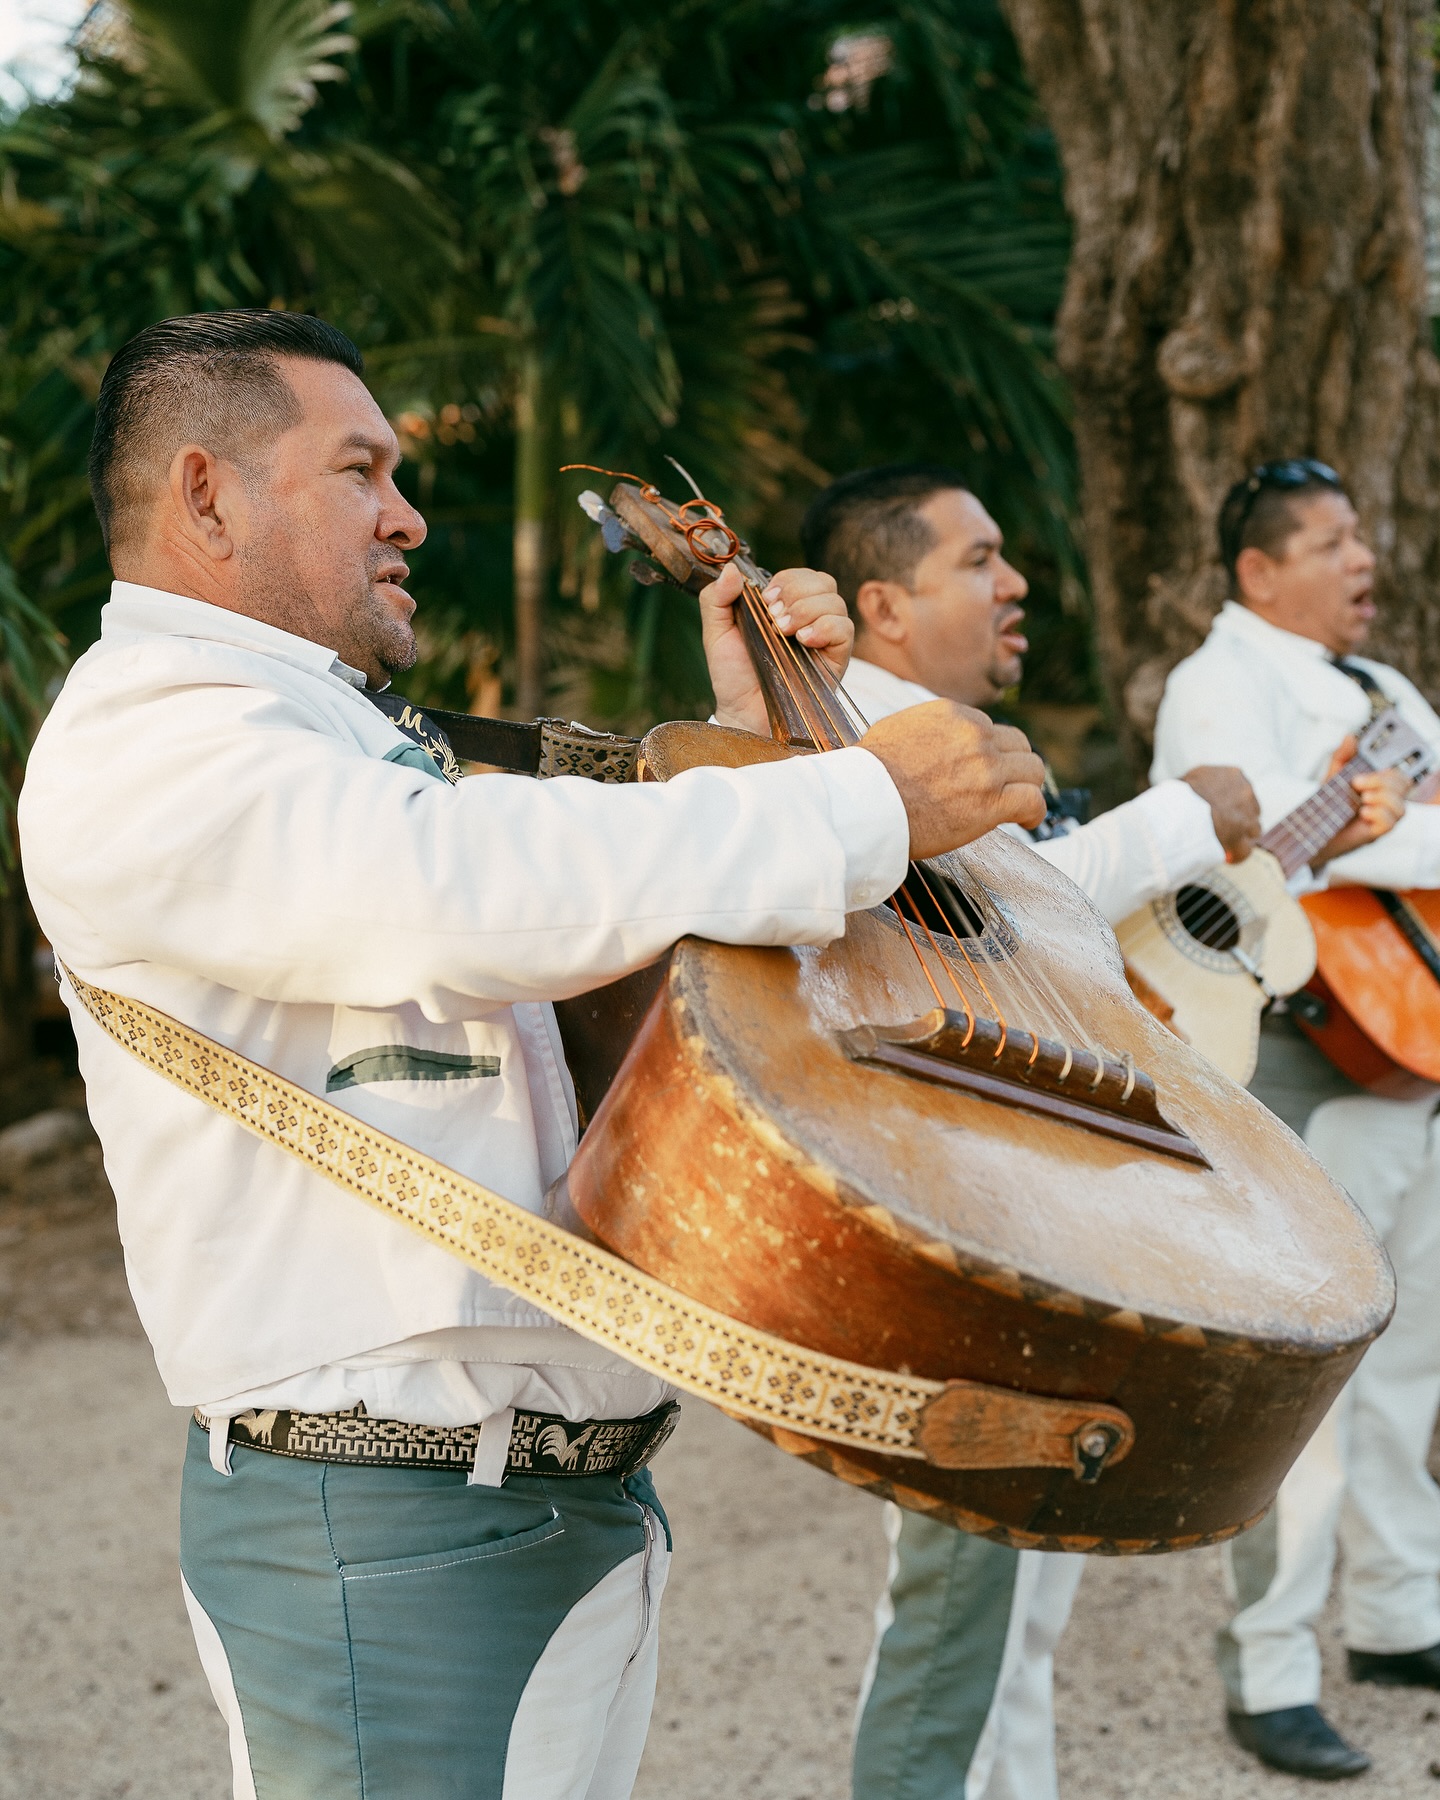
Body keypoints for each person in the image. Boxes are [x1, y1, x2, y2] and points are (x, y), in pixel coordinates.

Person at [17, 313, 1050, 1800]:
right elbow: (458, 885)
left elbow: (581, 947)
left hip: (511, 1496)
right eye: (361, 470)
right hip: (390, 1522)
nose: (408, 514)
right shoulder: (147, 736)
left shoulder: (319, 729)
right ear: (205, 494)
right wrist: (857, 805)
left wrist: (757, 739)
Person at [798, 462, 1273, 1800]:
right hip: (971, 1203)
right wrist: (1182, 820)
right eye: (979, 560)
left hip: (1038, 1196)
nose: (1016, 584)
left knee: (1020, 1607)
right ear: (883, 605)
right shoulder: (853, 748)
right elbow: (1000, 919)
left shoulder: (935, 735)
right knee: (966, 1588)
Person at [1152, 457, 1439, 1781]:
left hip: (1411, 1047)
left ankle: (1397, 1614)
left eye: (1361, 534)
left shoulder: (1382, 690)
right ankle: (1269, 1671)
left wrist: (1390, 835)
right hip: (1307, 1057)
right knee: (1309, 1383)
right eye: (1330, 540)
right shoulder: (1219, 683)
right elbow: (1254, 848)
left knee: (1413, 1362)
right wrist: (1400, 833)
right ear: (1258, 570)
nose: (1362, 557)